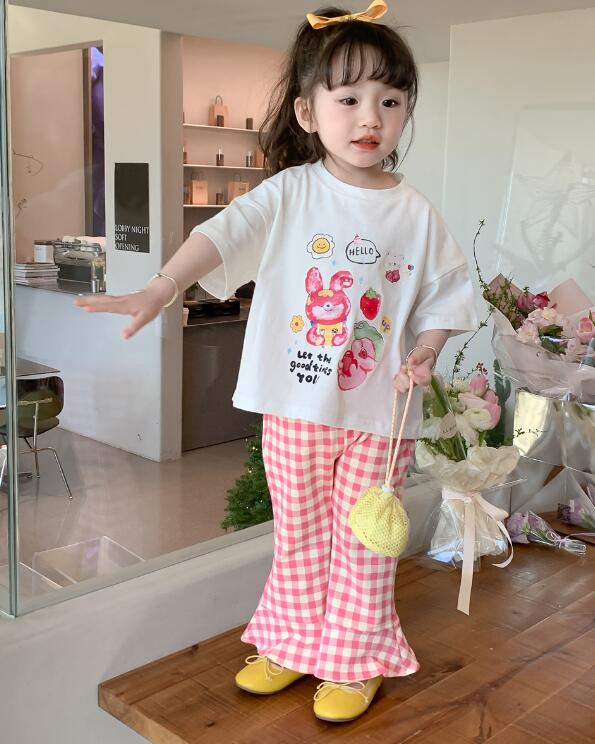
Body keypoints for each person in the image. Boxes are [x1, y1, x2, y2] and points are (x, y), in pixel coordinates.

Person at [75, 0, 479, 724]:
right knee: (298, 534)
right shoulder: (290, 192)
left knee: (365, 541)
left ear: (405, 111)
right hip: (295, 405)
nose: (370, 117)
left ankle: (354, 660)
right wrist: (162, 287)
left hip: (380, 411)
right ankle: (291, 644)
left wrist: (425, 351)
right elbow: (221, 237)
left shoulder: (416, 212)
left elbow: (446, 296)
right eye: (348, 98)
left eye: (390, 100)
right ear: (305, 110)